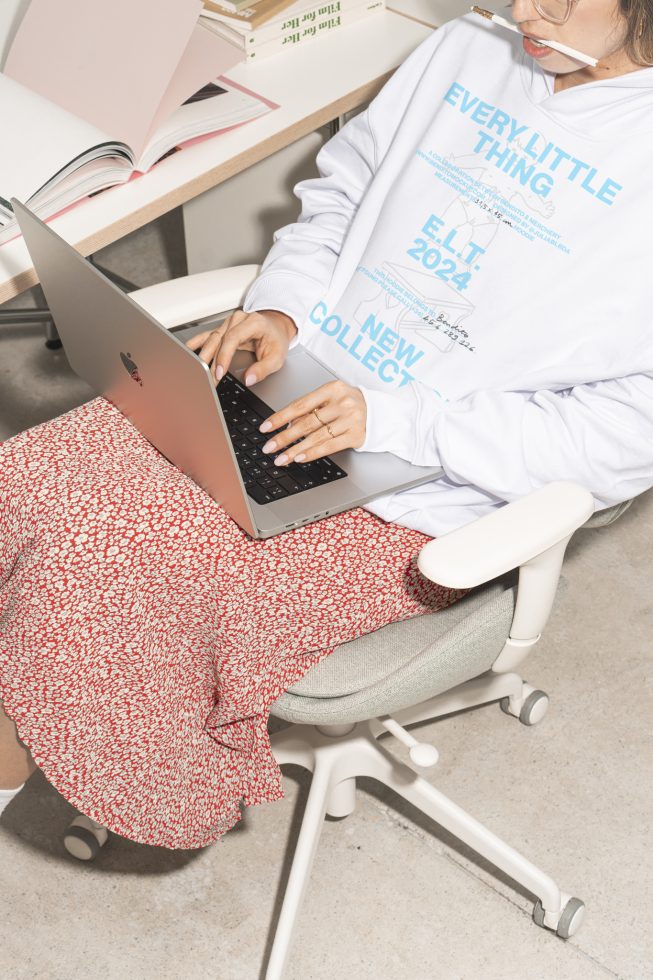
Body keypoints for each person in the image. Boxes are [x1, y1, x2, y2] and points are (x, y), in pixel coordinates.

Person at [1, 0, 652, 848]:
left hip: (425, 487)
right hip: (278, 387)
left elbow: (623, 436)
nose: (524, 12)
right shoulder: (468, 47)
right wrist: (285, 312)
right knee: (26, 484)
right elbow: (342, 194)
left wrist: (396, 419)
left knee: (99, 570)